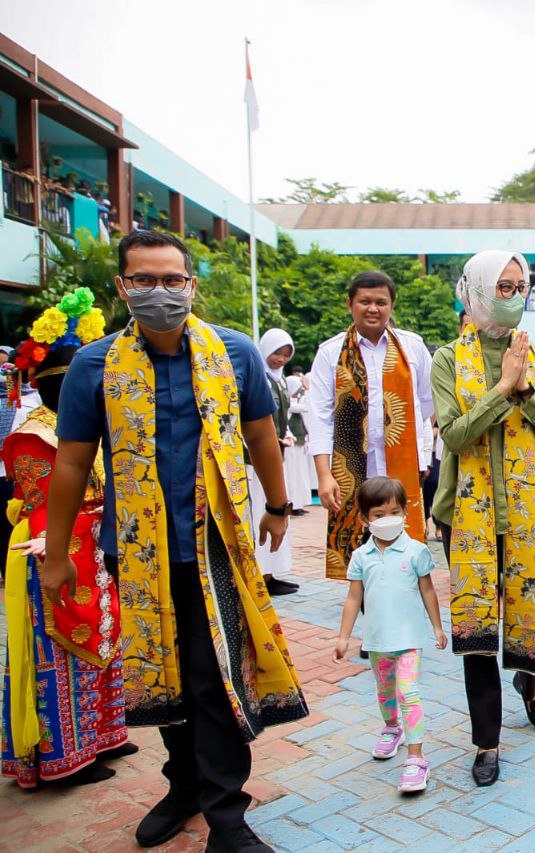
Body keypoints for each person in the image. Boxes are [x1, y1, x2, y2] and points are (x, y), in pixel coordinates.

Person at [44, 230, 307, 852]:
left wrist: (277, 504)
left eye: (172, 280)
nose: (159, 292)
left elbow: (262, 436)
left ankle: (226, 817)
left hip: (214, 547)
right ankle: (182, 783)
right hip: (135, 551)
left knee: (213, 679)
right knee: (162, 679)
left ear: (191, 285)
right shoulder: (95, 365)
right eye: (144, 280)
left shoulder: (233, 353)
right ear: (123, 287)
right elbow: (72, 465)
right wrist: (58, 556)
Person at [431, 250, 535, 787]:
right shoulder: (448, 359)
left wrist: (526, 390)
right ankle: (487, 741)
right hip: (467, 514)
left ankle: (529, 685)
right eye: (504, 287)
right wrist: (500, 387)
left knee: (528, 609)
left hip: (529, 511)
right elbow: (453, 435)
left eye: (521, 287)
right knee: (477, 625)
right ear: (478, 290)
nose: (514, 297)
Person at [2, 293, 137, 788]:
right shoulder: (34, 436)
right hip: (53, 549)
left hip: (96, 544)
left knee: (109, 645)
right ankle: (62, 757)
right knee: (57, 657)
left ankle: (104, 734)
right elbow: (40, 504)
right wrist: (54, 543)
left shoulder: (82, 427)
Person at [311, 271, 434, 579]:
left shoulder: (412, 348)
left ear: (391, 305)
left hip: (401, 467)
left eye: (381, 302)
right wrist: (325, 475)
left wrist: (420, 453)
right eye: (364, 301)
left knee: (403, 545)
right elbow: (321, 417)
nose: (373, 309)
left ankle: (401, 601)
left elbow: (427, 403)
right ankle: (368, 606)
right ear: (350, 304)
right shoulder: (331, 352)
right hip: (353, 471)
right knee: (360, 552)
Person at [333, 477, 447, 793]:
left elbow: (428, 589)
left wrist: (437, 626)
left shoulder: (416, 551)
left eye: (394, 512)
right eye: (379, 515)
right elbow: (354, 598)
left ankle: (416, 759)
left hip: (410, 638)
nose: (387, 520)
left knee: (408, 693)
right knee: (385, 693)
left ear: (405, 512)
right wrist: (343, 636)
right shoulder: (361, 557)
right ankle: (391, 728)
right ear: (365, 519)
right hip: (378, 641)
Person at [251, 328, 299, 596]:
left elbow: (284, 418)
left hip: (277, 453)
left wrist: (286, 435)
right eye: (276, 353)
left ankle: (271, 572)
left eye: (285, 355)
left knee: (278, 512)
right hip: (256, 460)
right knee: (261, 510)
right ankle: (259, 573)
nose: (280, 359)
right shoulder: (258, 379)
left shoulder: (279, 381)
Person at [284, 366, 313, 513]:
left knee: (300, 475)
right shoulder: (287, 403)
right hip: (290, 446)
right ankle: (293, 505)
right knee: (292, 477)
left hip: (299, 444)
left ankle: (299, 504)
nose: (298, 392)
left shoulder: (295, 402)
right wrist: (308, 391)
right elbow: (305, 407)